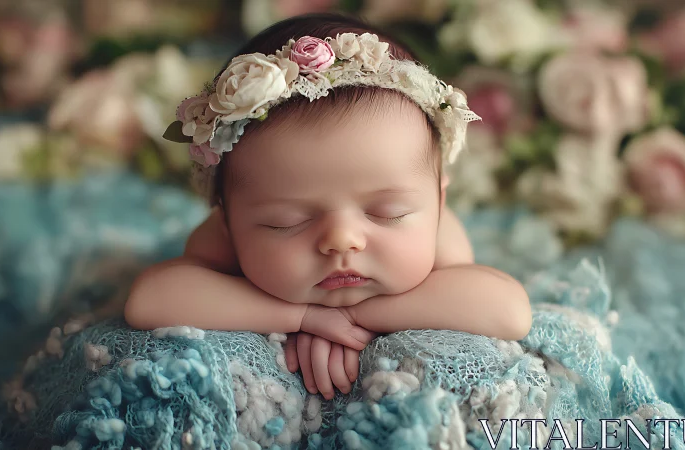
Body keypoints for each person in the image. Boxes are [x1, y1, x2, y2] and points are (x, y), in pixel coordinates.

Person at [125, 13, 531, 402]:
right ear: (227, 219)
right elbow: (149, 299)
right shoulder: (221, 238)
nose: (341, 240)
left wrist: (358, 317)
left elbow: (508, 311)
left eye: (387, 212)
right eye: (286, 222)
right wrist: (300, 316)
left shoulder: (440, 235)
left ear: (439, 202)